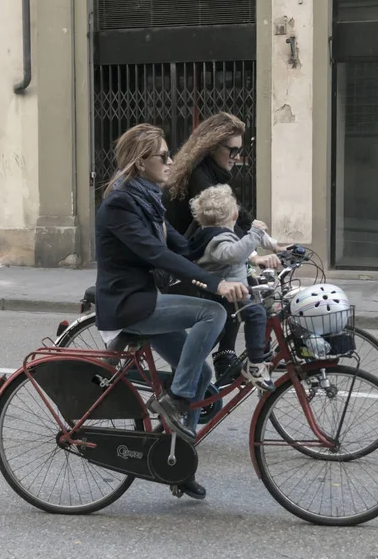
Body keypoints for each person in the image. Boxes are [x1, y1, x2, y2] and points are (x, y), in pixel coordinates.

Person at [95, 124, 248, 500]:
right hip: (130, 302)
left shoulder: (148, 197)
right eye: (163, 156)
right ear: (140, 161)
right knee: (211, 314)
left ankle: (179, 462)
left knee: (202, 373)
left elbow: (186, 247)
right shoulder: (121, 202)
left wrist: (246, 250)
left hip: (146, 297)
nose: (171, 161)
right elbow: (156, 254)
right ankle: (175, 400)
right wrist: (214, 286)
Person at [164, 112, 283, 379]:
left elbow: (237, 214)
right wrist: (254, 256)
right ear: (213, 146)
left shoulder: (212, 172)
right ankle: (213, 363)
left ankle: (222, 356)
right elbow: (222, 224)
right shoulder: (199, 176)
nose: (237, 157)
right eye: (233, 150)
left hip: (198, 253)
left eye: (240, 151)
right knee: (237, 288)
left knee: (242, 284)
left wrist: (273, 245)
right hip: (180, 261)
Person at [188, 184, 276, 390]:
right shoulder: (217, 238)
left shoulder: (213, 233)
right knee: (256, 314)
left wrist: (267, 243)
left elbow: (242, 248)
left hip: (228, 294)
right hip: (225, 296)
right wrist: (254, 234)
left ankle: (188, 362)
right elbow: (233, 253)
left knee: (216, 334)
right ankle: (255, 364)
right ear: (234, 214)